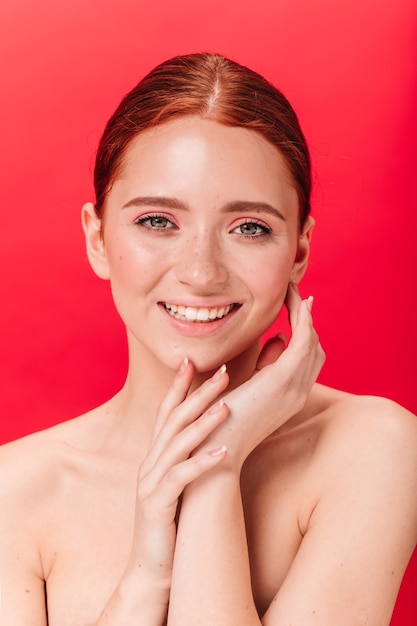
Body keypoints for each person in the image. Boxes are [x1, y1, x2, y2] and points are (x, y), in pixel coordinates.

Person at [0, 52, 416, 626]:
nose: (201, 272)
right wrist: (145, 580)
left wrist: (215, 468)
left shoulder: (375, 448)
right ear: (97, 238)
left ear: (299, 249)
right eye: (157, 222)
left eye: (250, 228)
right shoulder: (13, 493)